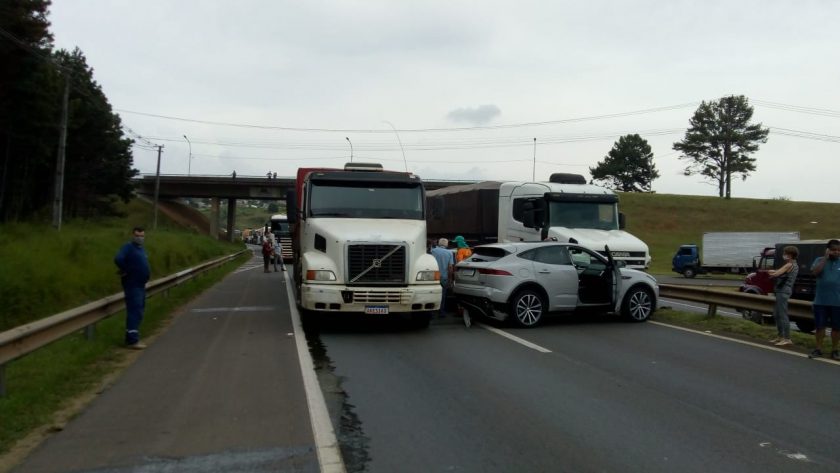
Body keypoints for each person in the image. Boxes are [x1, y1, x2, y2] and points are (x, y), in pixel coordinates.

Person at [114, 227, 151, 350]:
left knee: (139, 311)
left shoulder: (141, 249)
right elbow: (118, 258)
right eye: (137, 235)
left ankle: (131, 336)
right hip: (132, 284)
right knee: (134, 311)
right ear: (132, 236)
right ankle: (132, 341)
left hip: (140, 284)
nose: (140, 238)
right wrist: (125, 270)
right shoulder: (128, 247)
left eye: (142, 236)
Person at [808, 239, 840, 359]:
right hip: (821, 301)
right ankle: (818, 349)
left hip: (838, 302)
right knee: (820, 326)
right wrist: (825, 258)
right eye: (833, 250)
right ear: (828, 250)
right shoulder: (819, 260)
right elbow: (815, 272)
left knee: (837, 328)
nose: (836, 252)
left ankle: (835, 350)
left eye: (838, 250)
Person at [768, 245, 799, 346]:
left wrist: (772, 272)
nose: (783, 255)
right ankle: (780, 336)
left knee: (782, 314)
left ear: (789, 255)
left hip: (783, 291)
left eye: (785, 254)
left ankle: (787, 338)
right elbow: (778, 272)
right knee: (777, 314)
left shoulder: (789, 265)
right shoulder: (791, 265)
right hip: (781, 290)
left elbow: (776, 274)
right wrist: (774, 272)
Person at [431, 238, 454, 317]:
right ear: (446, 244)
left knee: (432, 294)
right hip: (444, 276)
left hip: (434, 275)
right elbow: (450, 267)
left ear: (438, 243)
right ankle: (441, 311)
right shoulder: (449, 253)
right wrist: (450, 279)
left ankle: (431, 312)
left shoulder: (433, 251)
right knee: (442, 295)